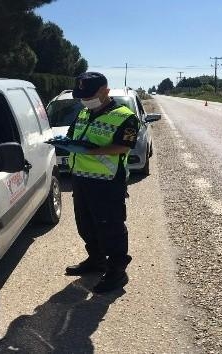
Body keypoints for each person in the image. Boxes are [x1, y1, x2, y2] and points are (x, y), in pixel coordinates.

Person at [64, 72, 139, 293]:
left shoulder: (125, 116)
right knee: (85, 224)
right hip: (81, 179)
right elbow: (72, 136)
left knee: (111, 227)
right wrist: (64, 143)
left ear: (105, 91)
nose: (84, 99)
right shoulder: (84, 113)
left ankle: (117, 271)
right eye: (81, 95)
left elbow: (124, 147)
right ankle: (96, 260)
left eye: (89, 95)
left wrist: (93, 151)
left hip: (107, 182)